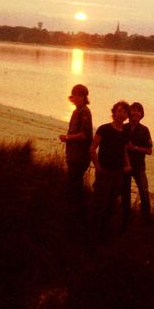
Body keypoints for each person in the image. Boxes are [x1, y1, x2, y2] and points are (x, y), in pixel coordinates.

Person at [90, 100, 131, 240]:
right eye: (119, 111)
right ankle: (93, 233)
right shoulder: (104, 129)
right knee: (99, 203)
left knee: (111, 204)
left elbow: (124, 150)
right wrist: (98, 167)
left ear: (127, 116)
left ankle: (104, 233)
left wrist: (127, 165)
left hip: (118, 173)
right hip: (105, 171)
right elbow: (92, 149)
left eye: (124, 112)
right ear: (114, 113)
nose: (121, 114)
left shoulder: (124, 133)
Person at [59, 84, 93, 214]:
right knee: (73, 183)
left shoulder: (84, 111)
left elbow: (84, 135)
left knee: (75, 183)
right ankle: (74, 209)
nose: (77, 98)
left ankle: (76, 210)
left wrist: (67, 138)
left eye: (80, 95)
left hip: (80, 156)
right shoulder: (76, 111)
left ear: (84, 97)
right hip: (73, 154)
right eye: (75, 95)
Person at [122, 102, 153, 227]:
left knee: (144, 192)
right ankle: (126, 219)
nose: (135, 113)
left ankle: (146, 220)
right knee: (125, 192)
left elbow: (149, 150)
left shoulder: (144, 130)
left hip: (139, 166)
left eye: (138, 111)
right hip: (124, 165)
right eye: (133, 110)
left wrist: (134, 147)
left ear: (141, 114)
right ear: (129, 113)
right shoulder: (124, 127)